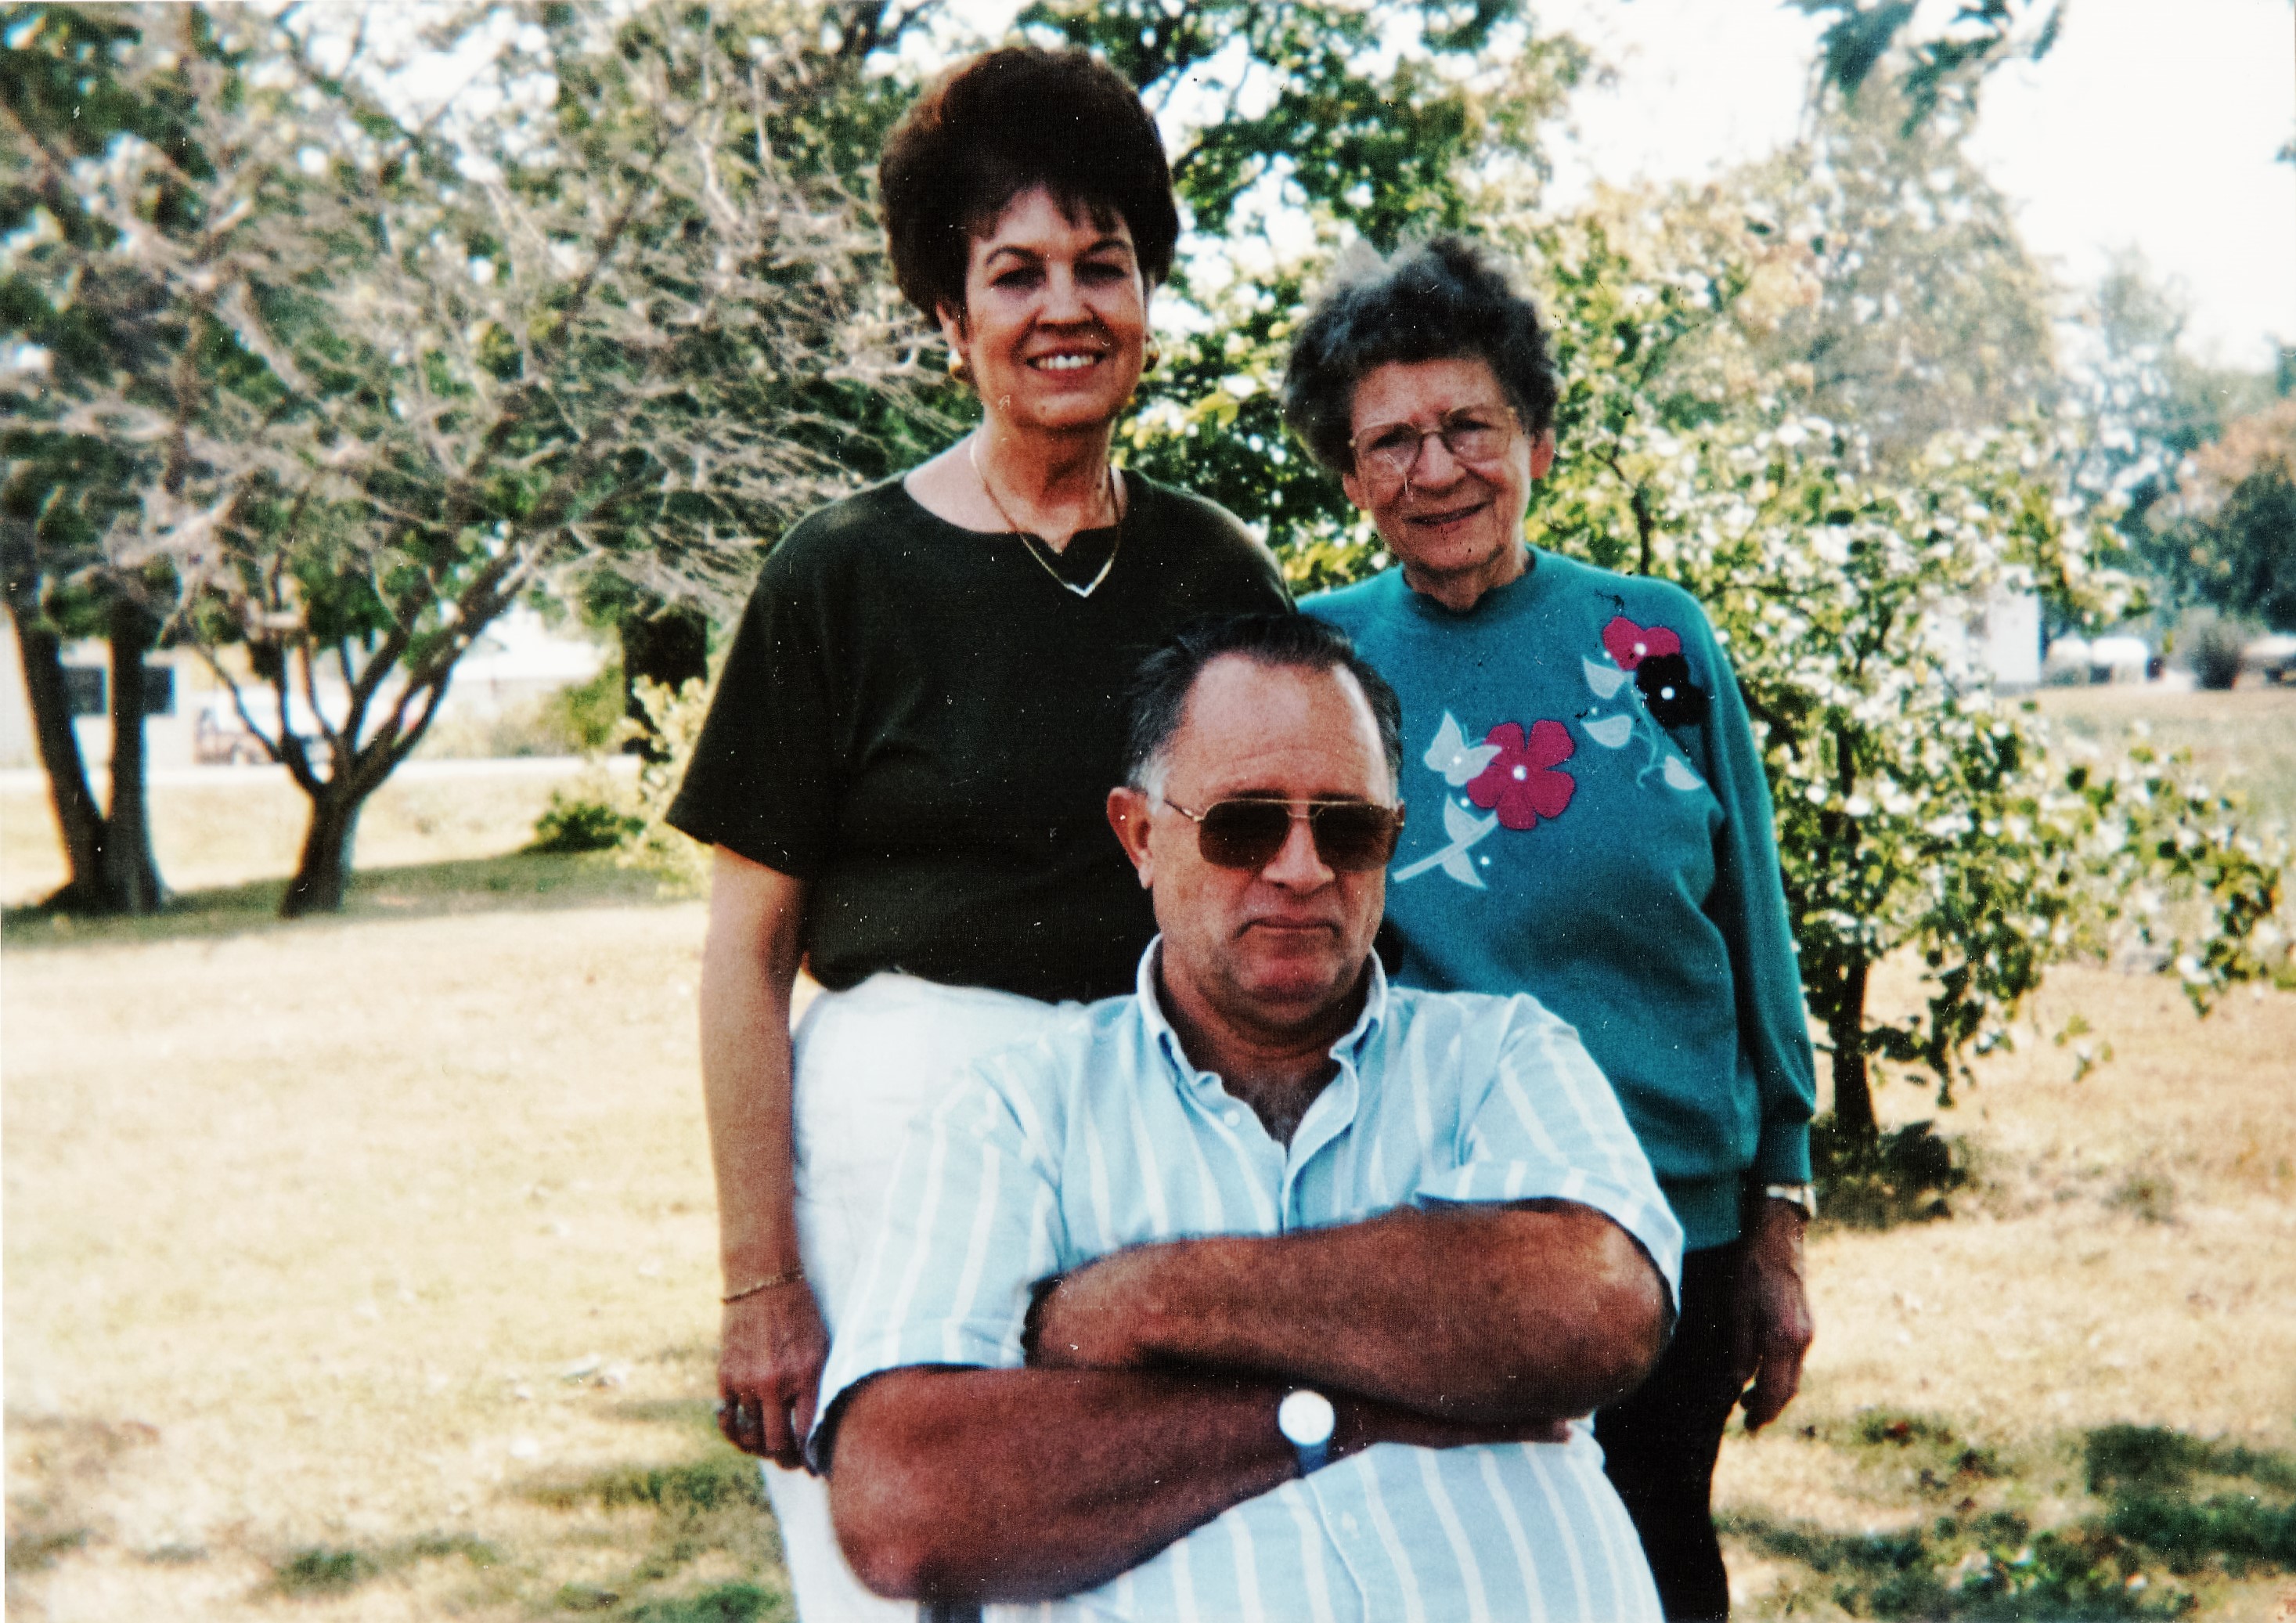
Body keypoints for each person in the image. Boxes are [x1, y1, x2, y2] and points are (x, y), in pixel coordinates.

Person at [664, 47, 1289, 1622]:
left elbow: (1288, 886)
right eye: (1013, 272)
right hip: (895, 1146)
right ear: (950, 317)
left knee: (1156, 1577)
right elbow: (742, 958)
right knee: (899, 1563)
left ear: (1148, 296)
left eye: (1105, 264)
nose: (1063, 307)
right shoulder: (840, 575)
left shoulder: (1213, 571)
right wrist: (759, 1281)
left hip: (1155, 1161)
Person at [816, 615, 1685, 1619]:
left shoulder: (1499, 1056)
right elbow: (905, 1504)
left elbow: (1598, 1311)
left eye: (1349, 828)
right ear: (1139, 836)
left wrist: (1139, 1305)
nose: (1302, 868)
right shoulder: (1014, 1110)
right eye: (1243, 824)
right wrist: (1353, 1406)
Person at [1290, 236, 1818, 1621]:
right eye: (1388, 441)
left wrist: (1777, 1216)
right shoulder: (1314, 659)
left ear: (1532, 438)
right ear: (1347, 477)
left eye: (1467, 424)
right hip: (1438, 1230)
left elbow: (1749, 918)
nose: (1435, 467)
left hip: (1675, 1226)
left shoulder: (1651, 640)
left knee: (1652, 1567)